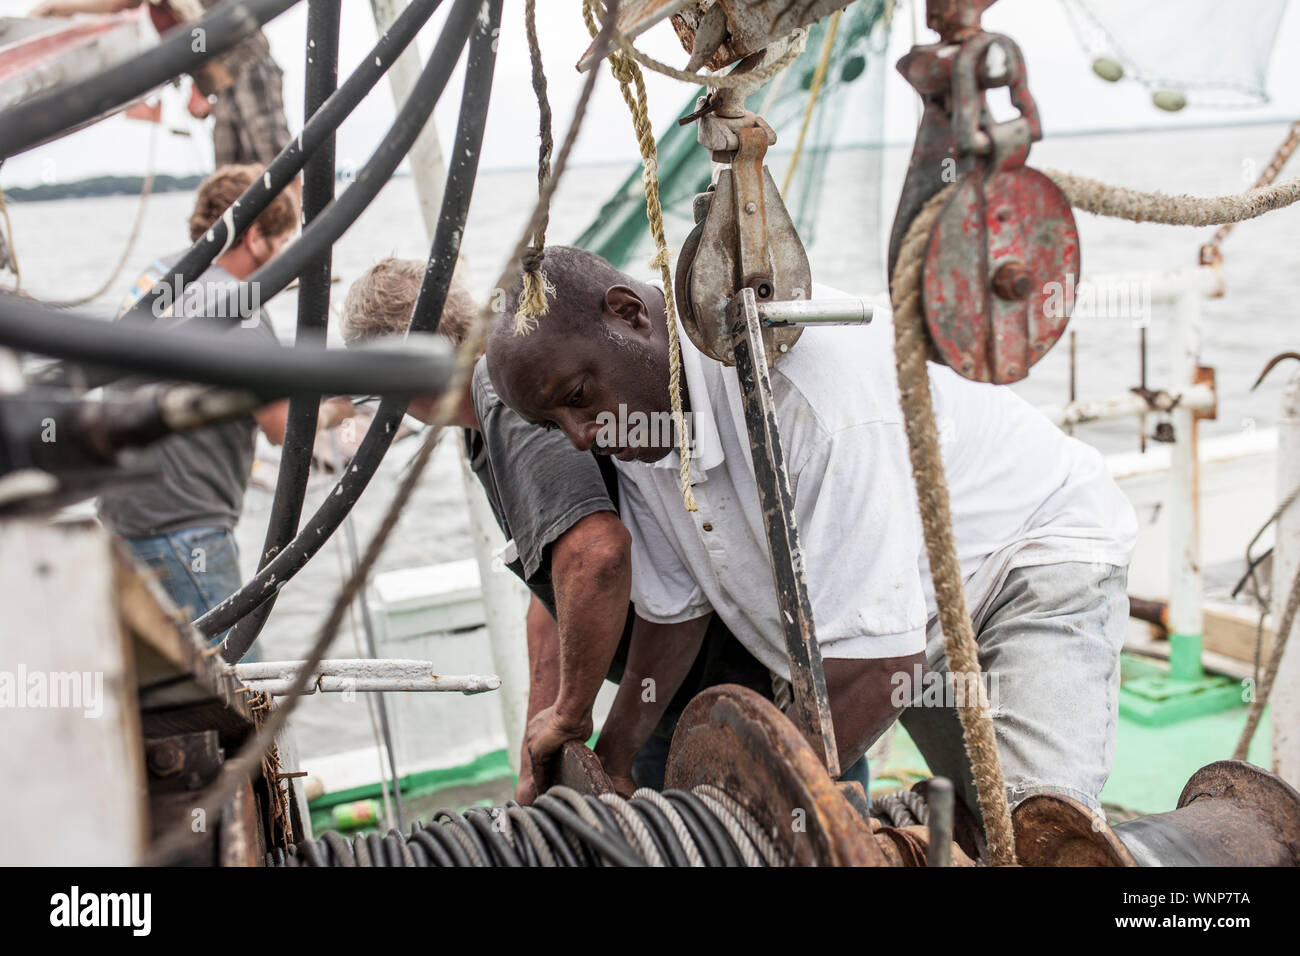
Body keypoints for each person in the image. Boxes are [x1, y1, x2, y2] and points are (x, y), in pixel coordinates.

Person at [485, 245, 1139, 824]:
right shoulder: (647, 425)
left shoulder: (808, 394)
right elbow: (675, 615)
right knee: (977, 819)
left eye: (577, 395)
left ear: (629, 313)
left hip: (1028, 563)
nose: (581, 436)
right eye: (556, 426)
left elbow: (881, 664)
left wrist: (743, 812)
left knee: (1039, 834)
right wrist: (614, 760)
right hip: (911, 624)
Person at [339, 257, 774, 800]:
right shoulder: (484, 421)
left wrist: (570, 715)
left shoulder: (510, 404)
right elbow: (553, 594)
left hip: (730, 697)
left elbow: (595, 554)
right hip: (672, 696)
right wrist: (535, 751)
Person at [98, 164, 352, 648]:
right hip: (185, 530)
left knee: (165, 692)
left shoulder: (157, 276)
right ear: (255, 236)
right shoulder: (239, 307)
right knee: (241, 693)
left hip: (120, 524)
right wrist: (340, 407)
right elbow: (283, 426)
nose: (282, 260)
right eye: (281, 244)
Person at [31, 0, 292, 167]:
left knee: (273, 154)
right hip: (217, 78)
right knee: (231, 174)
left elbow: (118, 4)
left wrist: (60, 7)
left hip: (246, 62)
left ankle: (300, 236)